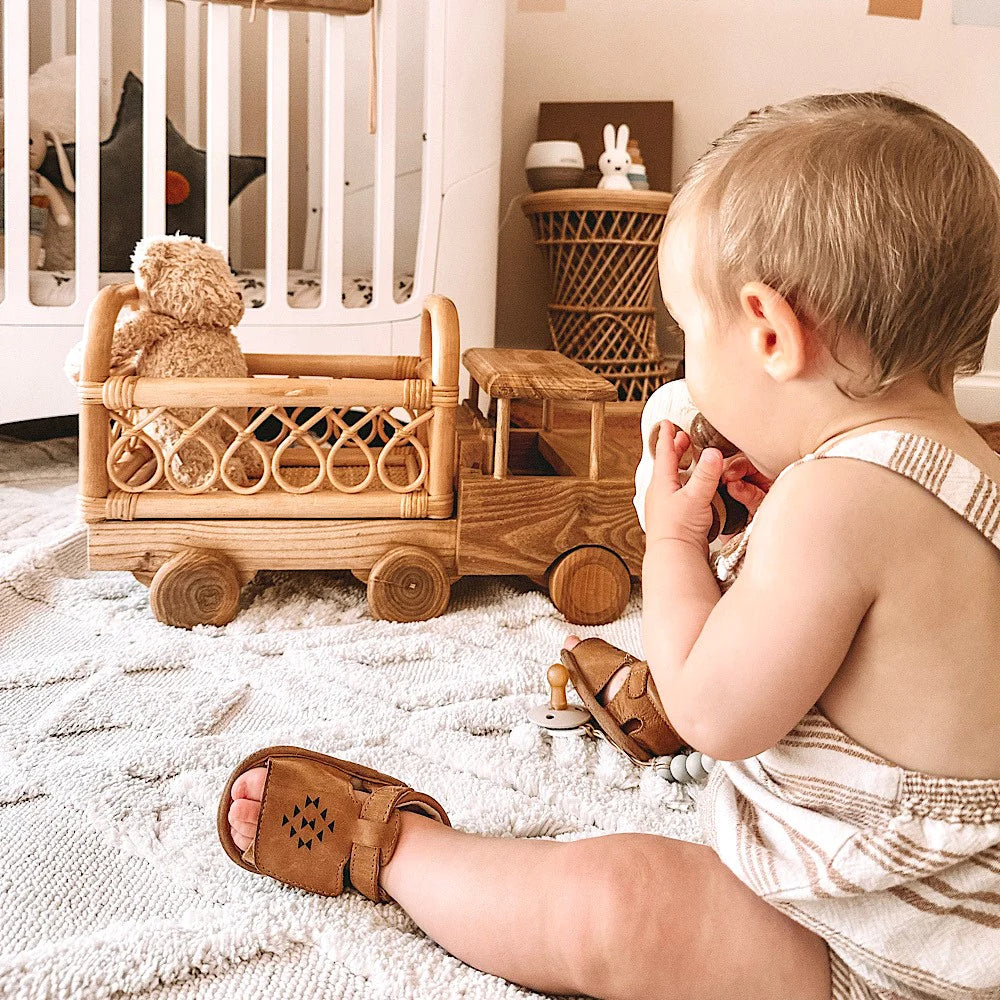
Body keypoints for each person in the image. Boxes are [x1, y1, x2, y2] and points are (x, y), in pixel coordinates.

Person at [218, 92, 1000, 1000]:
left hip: (888, 953)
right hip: (972, 913)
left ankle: (399, 853)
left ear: (771, 333)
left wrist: (671, 544)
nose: (683, 370)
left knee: (620, 906)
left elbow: (712, 710)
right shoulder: (966, 467)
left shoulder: (835, 499)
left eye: (686, 336)